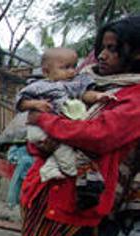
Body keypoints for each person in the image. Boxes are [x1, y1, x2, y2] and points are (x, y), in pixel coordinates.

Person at [20, 15, 140, 236]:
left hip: (78, 199)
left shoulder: (132, 97)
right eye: (102, 47)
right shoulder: (85, 84)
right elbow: (32, 139)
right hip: (43, 189)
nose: (103, 56)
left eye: (114, 49)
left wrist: (44, 120)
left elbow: (99, 136)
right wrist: (44, 131)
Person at [17, 47, 115, 210]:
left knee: (68, 147)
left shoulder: (77, 82)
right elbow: (21, 103)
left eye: (73, 66)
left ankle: (52, 170)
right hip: (42, 128)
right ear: (46, 71)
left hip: (63, 124)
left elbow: (86, 94)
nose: (71, 71)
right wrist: (35, 104)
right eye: (65, 68)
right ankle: (70, 170)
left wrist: (98, 96)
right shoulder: (38, 86)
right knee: (64, 153)